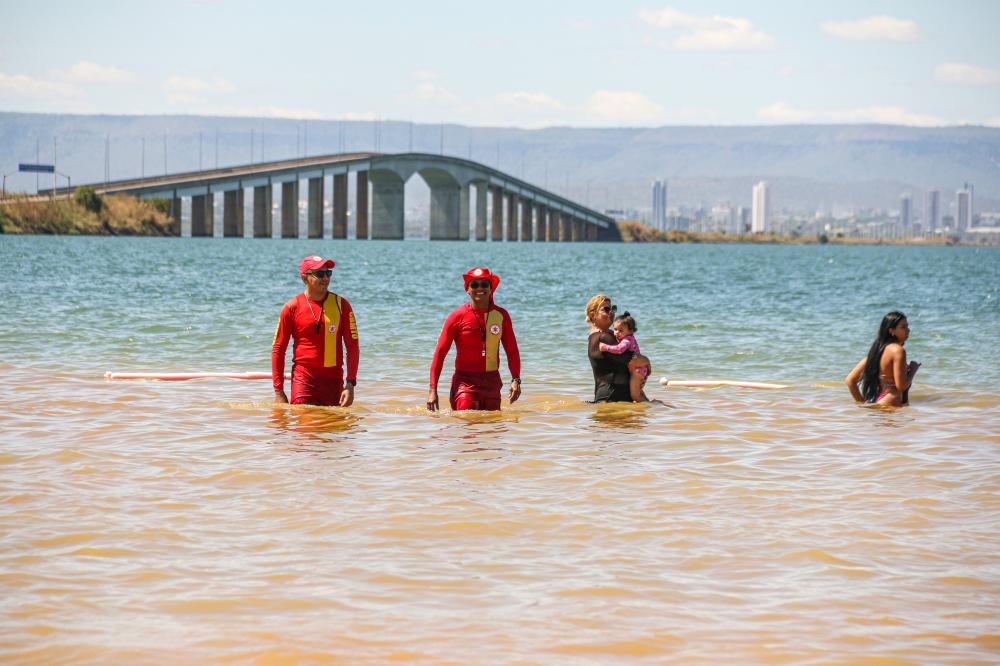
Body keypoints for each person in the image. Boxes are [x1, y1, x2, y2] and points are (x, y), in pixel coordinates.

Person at [427, 267, 521, 411]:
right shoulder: (457, 316)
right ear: (467, 289)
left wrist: (516, 379)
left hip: (492, 382)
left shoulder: (501, 315)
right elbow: (439, 354)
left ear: (491, 288)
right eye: (474, 285)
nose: (479, 288)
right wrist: (433, 390)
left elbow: (512, 351)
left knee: (492, 429)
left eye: (484, 284)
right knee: (468, 426)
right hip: (465, 383)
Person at [272, 255, 359, 406]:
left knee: (332, 427)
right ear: (304, 277)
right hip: (304, 379)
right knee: (306, 425)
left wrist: (350, 384)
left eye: (328, 273)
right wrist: (278, 391)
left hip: (333, 380)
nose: (325, 278)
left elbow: (352, 346)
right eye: (320, 274)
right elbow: (278, 349)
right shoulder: (291, 308)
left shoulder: (342, 306)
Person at [845, 310, 920, 407]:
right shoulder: (898, 351)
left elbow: (850, 380)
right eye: (903, 327)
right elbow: (901, 386)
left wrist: (862, 404)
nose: (908, 330)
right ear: (891, 331)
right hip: (891, 399)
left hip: (879, 399)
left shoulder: (876, 353)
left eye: (907, 326)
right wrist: (913, 370)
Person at [586, 294, 644, 402]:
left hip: (609, 398)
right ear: (593, 314)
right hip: (612, 399)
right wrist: (646, 361)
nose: (611, 312)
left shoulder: (596, 337)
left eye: (613, 309)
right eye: (606, 309)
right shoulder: (603, 337)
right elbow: (631, 360)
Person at [599, 311, 651, 402]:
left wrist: (604, 347)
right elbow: (615, 333)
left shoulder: (627, 340)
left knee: (635, 396)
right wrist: (607, 331)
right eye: (615, 329)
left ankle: (652, 407)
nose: (617, 333)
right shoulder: (625, 336)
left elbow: (619, 349)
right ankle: (651, 404)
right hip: (639, 369)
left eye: (620, 330)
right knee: (639, 392)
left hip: (637, 371)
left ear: (631, 331)